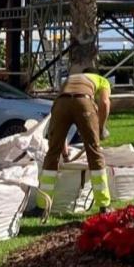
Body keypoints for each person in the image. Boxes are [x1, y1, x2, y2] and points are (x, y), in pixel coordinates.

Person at [36, 66, 112, 212]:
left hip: (60, 104)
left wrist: (64, 154)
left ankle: (42, 206)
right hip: (83, 101)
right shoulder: (102, 80)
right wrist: (100, 128)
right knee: (94, 152)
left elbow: (61, 125)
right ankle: (104, 205)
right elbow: (105, 103)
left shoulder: (70, 80)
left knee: (52, 153)